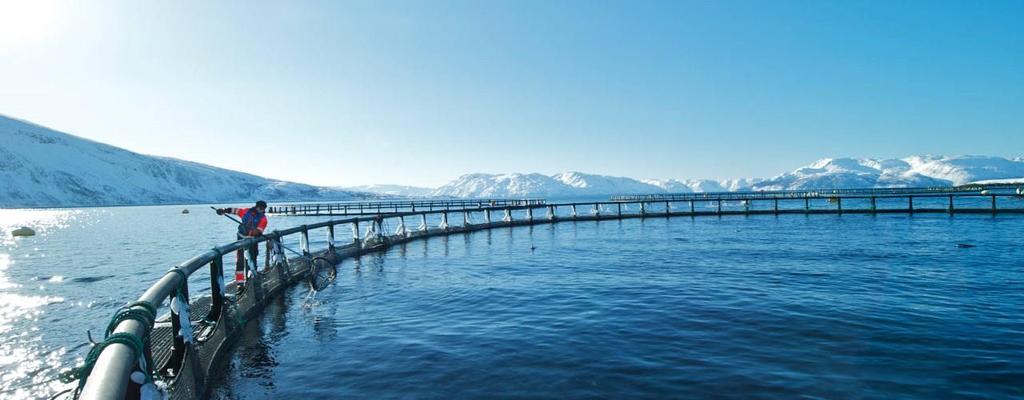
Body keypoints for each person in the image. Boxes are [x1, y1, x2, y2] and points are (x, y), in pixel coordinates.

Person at [215, 201, 268, 292]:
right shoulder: (245, 211)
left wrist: (252, 230)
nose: (262, 210)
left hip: (252, 241)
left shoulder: (263, 219)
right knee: (239, 260)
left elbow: (259, 232)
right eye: (261, 208)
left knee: (253, 259)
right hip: (241, 238)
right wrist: (223, 210)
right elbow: (233, 210)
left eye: (263, 209)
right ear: (256, 207)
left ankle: (252, 279)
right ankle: (240, 283)